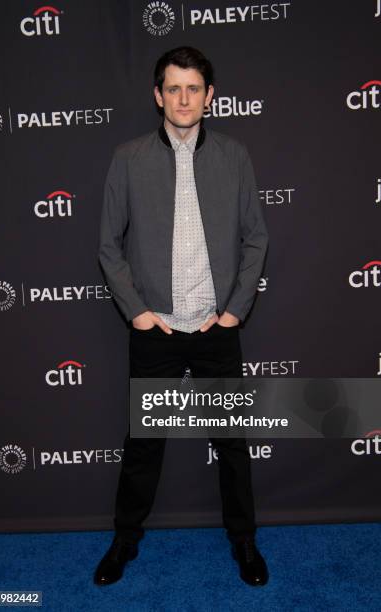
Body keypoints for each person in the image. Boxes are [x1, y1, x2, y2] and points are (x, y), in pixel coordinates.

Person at [95, 46, 269, 587]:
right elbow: (108, 246)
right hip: (159, 329)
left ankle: (244, 542)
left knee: (232, 446)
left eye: (194, 88)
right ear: (158, 96)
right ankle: (125, 539)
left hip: (216, 329)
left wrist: (236, 311)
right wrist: (138, 313)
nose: (184, 98)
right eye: (173, 88)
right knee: (143, 445)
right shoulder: (128, 158)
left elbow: (255, 238)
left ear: (209, 96)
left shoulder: (235, 156)